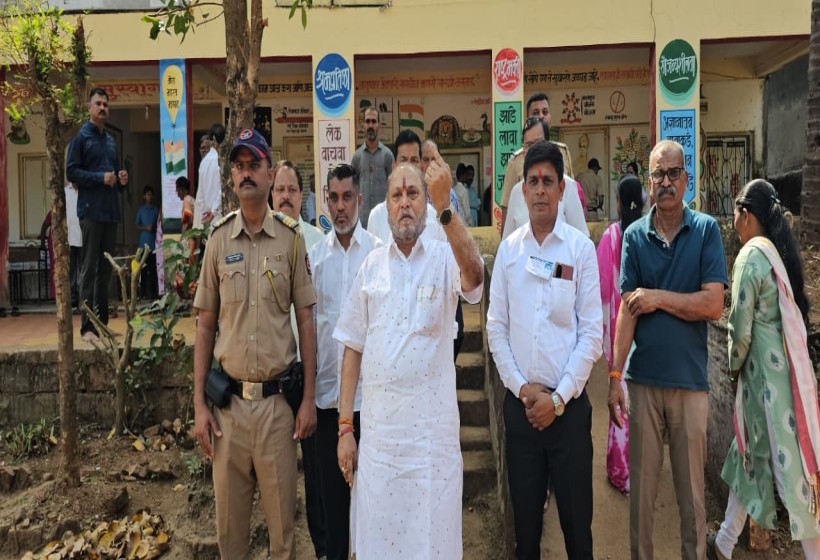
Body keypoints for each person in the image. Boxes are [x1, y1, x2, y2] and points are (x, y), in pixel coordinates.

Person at [336, 150, 484, 558]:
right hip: (381, 451)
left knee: (432, 545)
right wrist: (345, 427)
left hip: (431, 452)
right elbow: (352, 346)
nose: (405, 202)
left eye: (414, 194)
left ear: (426, 203)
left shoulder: (444, 258)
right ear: (385, 206)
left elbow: (475, 278)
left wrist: (446, 209)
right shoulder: (370, 268)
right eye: (397, 195)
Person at [192, 128, 318, 559]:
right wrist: (199, 405)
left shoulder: (290, 239)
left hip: (277, 411)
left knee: (282, 534)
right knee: (230, 535)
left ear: (269, 173)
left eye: (254, 165)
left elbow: (306, 320)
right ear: (231, 176)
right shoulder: (217, 240)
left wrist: (308, 401)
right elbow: (205, 326)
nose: (246, 173)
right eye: (239, 166)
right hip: (227, 412)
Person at [607, 140, 727, 560]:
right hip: (643, 383)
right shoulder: (634, 236)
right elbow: (627, 311)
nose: (666, 182)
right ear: (649, 181)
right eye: (658, 174)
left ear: (686, 179)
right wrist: (614, 375)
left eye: (673, 173)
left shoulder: (706, 230)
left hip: (690, 385)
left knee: (692, 496)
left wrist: (657, 297)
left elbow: (713, 304)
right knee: (641, 495)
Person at [487, 141, 603, 559]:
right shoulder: (509, 252)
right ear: (522, 191)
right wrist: (522, 389)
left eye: (548, 181)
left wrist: (557, 399)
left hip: (567, 413)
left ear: (561, 190)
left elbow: (592, 333)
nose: (539, 189)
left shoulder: (579, 250)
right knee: (526, 535)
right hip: (522, 415)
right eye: (532, 181)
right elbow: (496, 328)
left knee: (577, 533)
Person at [707, 180, 820, 560]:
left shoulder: (750, 257)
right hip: (781, 377)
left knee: (791, 477)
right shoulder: (776, 254)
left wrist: (731, 372)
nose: (734, 224)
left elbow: (739, 330)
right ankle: (724, 543)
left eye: (735, 215)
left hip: (766, 387)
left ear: (746, 215)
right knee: (748, 458)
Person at [312, 163, 381, 560]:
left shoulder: (378, 255)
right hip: (328, 402)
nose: (341, 207)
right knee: (334, 509)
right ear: (326, 200)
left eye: (348, 198)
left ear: (360, 200)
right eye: (334, 198)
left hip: (371, 405)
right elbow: (311, 332)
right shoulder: (315, 260)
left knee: (372, 510)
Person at [270, 158, 326, 559]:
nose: (286, 196)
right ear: (270, 194)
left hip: (308, 373)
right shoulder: (255, 242)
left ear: (302, 195)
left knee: (317, 469)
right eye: (280, 189)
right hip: (271, 376)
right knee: (276, 473)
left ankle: (323, 546)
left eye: (292, 189)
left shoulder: (317, 242)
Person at [66, 87, 129, 342]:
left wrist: (122, 180)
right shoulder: (81, 138)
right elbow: (72, 172)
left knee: (105, 272)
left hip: (110, 213)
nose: (102, 108)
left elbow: (115, 178)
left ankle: (102, 326)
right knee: (88, 269)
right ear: (89, 107)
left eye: (105, 104)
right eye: (98, 103)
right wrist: (99, 178)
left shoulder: (111, 141)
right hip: (90, 213)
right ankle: (86, 328)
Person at [596, 175, 644, 496]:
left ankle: (620, 469)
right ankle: (642, 469)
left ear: (617, 202)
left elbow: (600, 287)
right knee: (643, 398)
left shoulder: (611, 237)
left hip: (617, 329)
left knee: (620, 391)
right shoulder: (648, 234)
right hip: (646, 329)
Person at [502, 119, 588, 239]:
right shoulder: (516, 191)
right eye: (528, 145)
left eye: (538, 143)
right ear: (524, 153)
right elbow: (507, 242)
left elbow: (582, 239)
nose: (533, 150)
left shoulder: (568, 186)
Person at [500, 92, 574, 231]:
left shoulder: (563, 153)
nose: (541, 116)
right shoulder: (516, 161)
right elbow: (507, 208)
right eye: (536, 112)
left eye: (545, 112)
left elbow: (572, 199)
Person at [351, 107, 394, 228]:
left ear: (379, 126)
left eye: (374, 121)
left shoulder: (388, 155)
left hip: (383, 221)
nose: (370, 125)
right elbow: (352, 189)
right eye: (367, 121)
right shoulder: (357, 157)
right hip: (362, 221)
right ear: (363, 126)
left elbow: (393, 188)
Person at [194, 123, 225, 232]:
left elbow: (200, 196)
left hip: (207, 220)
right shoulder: (221, 161)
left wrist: (202, 222)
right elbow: (222, 190)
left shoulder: (204, 163)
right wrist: (214, 210)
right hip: (220, 218)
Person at [135, 185, 159, 300]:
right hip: (143, 245)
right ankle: (143, 294)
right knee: (143, 271)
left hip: (153, 245)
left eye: (151, 194)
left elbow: (159, 225)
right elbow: (136, 225)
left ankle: (153, 294)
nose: (150, 196)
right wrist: (145, 228)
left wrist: (153, 227)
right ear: (144, 196)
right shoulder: (141, 210)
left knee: (153, 270)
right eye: (148, 194)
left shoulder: (155, 210)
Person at [65, 182, 82, 310]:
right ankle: (73, 299)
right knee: (71, 270)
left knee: (83, 269)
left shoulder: (85, 189)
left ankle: (83, 299)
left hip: (83, 236)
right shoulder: (65, 191)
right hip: (69, 237)